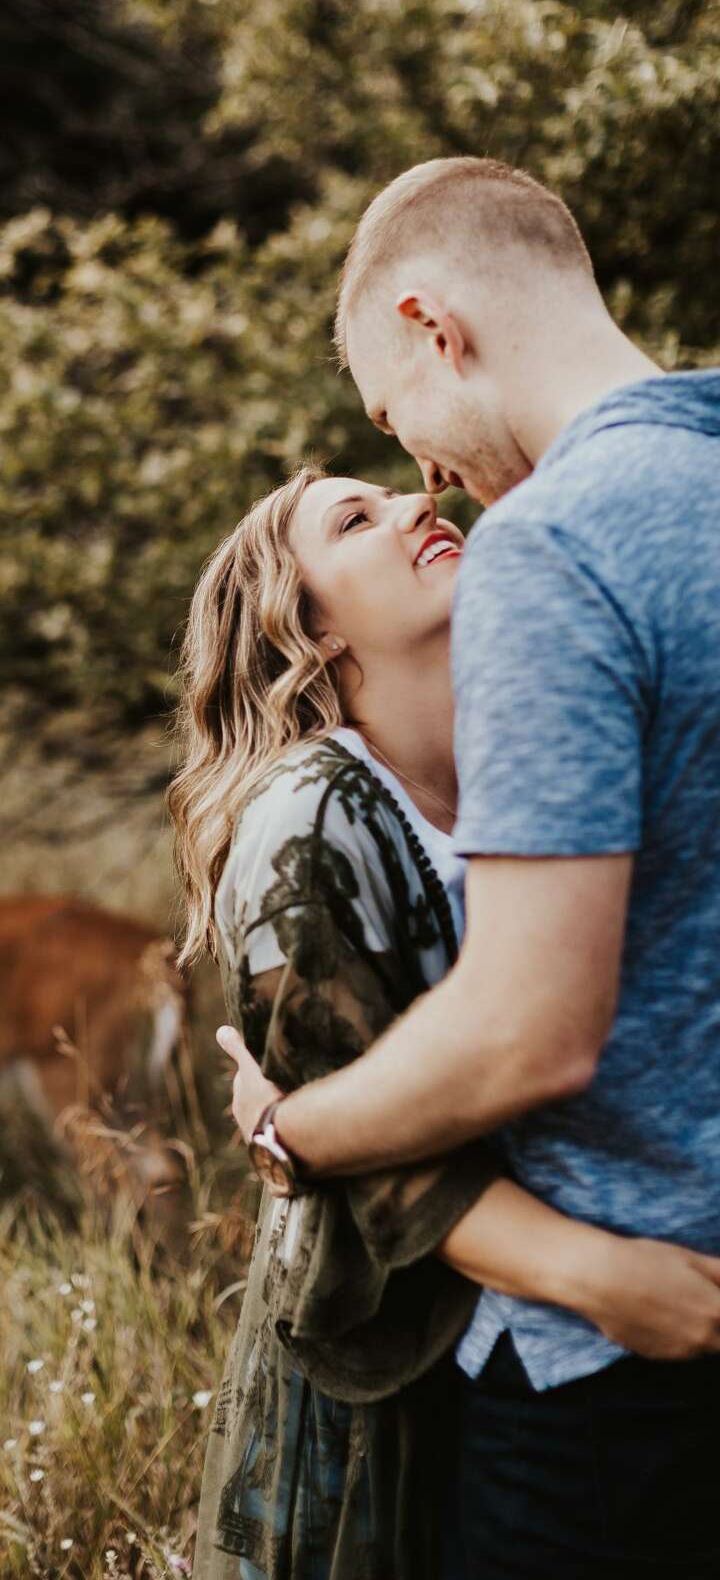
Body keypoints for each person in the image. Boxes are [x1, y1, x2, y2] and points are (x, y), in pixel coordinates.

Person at [216, 157, 720, 1577]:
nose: (426, 474)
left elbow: (528, 1033)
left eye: (396, 421)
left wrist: (288, 1132)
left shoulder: (552, 551)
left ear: (436, 328)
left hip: (617, 1390)